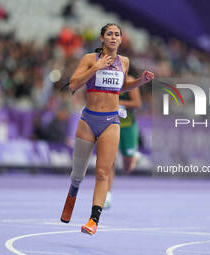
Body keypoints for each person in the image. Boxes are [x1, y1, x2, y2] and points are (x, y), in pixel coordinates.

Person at [60, 23, 154, 235]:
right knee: (78, 174)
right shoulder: (89, 59)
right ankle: (72, 193)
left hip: (111, 122)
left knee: (103, 172)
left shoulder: (125, 62)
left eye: (117, 34)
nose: (113, 37)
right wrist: (96, 67)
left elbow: (120, 88)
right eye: (109, 34)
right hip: (88, 121)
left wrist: (140, 81)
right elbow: (73, 85)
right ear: (102, 39)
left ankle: (93, 220)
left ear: (121, 40)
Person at [105, 73, 142, 209]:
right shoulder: (107, 79)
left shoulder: (130, 81)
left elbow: (137, 103)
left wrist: (118, 102)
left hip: (128, 128)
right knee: (110, 162)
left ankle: (134, 157)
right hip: (112, 126)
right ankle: (107, 197)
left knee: (127, 168)